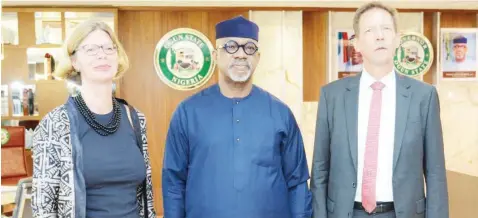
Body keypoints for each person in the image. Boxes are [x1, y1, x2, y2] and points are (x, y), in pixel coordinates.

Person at [162, 15, 312, 218]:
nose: (241, 54)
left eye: (249, 48)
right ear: (215, 56)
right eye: (231, 46)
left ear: (257, 58)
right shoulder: (188, 112)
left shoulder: (280, 113)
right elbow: (173, 182)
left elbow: (298, 183)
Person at [311, 2, 448, 218]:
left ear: (397, 38)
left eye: (386, 29)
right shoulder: (332, 96)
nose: (379, 36)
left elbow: (435, 173)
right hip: (346, 212)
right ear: (356, 43)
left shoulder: (424, 96)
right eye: (370, 30)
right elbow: (319, 170)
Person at [31, 19, 156, 218]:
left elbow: (145, 195)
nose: (102, 55)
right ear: (74, 61)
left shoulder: (135, 118)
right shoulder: (55, 123)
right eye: (90, 49)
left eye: (109, 48)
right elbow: (43, 207)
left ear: (118, 56)